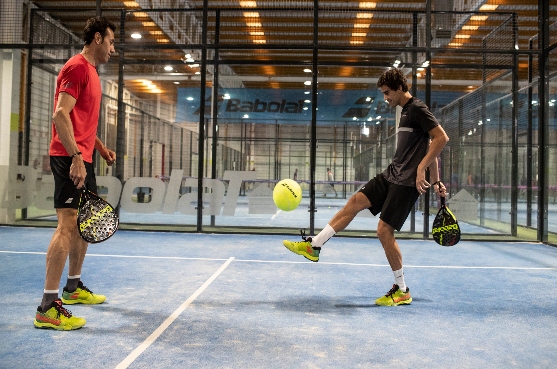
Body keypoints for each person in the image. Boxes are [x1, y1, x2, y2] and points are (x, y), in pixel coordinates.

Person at [283, 68, 449, 306]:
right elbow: (430, 145)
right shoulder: (404, 112)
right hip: (392, 174)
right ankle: (315, 246)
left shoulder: (418, 109)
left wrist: (423, 171)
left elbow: (441, 138)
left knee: (384, 231)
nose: (385, 98)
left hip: (405, 184)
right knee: (355, 201)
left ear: (400, 88)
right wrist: (437, 180)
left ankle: (402, 290)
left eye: (387, 93)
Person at [33, 16, 117, 330]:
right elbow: (60, 115)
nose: (112, 48)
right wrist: (76, 157)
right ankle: (47, 307)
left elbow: (81, 121)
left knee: (83, 223)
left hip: (83, 156)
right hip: (68, 158)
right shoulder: (77, 67)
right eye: (110, 41)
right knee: (68, 223)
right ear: (97, 38)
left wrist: (99, 148)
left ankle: (72, 288)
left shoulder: (92, 73)